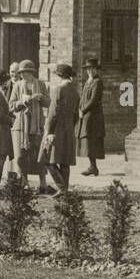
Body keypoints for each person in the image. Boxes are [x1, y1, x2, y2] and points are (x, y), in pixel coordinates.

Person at [10, 58, 49, 194]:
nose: (23, 75)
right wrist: (22, 102)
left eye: (25, 72)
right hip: (20, 126)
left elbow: (48, 103)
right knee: (20, 156)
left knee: (38, 155)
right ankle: (24, 183)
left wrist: (41, 98)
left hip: (37, 126)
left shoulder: (41, 85)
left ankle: (43, 183)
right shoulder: (17, 86)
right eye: (21, 73)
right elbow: (11, 106)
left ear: (31, 72)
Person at [41, 63, 78, 193]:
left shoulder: (58, 90)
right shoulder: (74, 90)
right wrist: (70, 126)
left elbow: (53, 113)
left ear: (60, 76)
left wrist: (49, 131)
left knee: (46, 158)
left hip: (57, 129)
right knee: (64, 161)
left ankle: (62, 189)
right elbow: (76, 115)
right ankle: (65, 190)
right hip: (69, 129)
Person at [76, 57, 105, 176]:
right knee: (87, 141)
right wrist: (79, 108)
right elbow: (83, 98)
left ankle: (93, 167)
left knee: (91, 140)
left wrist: (83, 110)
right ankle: (93, 166)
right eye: (88, 69)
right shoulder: (87, 82)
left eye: (93, 69)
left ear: (96, 70)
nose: (90, 72)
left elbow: (93, 100)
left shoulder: (97, 82)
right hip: (86, 115)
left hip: (93, 116)